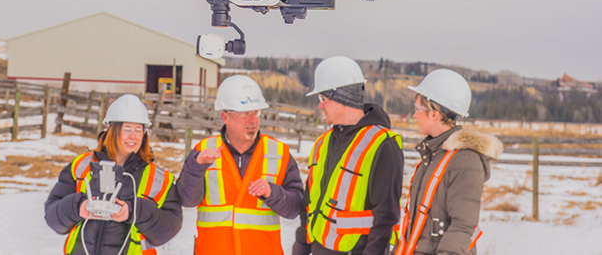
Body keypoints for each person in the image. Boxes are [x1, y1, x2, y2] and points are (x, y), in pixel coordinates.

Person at [177, 75, 304, 255]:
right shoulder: (203, 151)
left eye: (256, 112)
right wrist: (197, 167)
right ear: (225, 117)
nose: (253, 120)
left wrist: (272, 193)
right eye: (245, 113)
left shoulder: (279, 153)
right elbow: (187, 200)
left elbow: (295, 208)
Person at [45, 94, 182, 255]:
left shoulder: (158, 179)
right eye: (127, 129)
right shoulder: (82, 166)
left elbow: (167, 231)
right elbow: (52, 216)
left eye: (139, 130)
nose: (133, 136)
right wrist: (78, 207)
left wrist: (134, 211)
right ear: (112, 131)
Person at [293, 56, 404, 255]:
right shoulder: (323, 143)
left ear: (340, 98)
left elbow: (386, 217)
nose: (320, 106)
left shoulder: (383, 145)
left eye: (323, 99)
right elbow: (309, 202)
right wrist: (301, 245)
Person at [395, 69, 503, 255]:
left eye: (417, 109)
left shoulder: (465, 161)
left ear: (435, 113)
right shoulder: (432, 156)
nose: (414, 116)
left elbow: (462, 227)